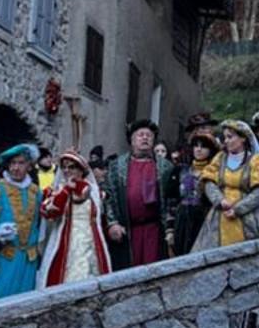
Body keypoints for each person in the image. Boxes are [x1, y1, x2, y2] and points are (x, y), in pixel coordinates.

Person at [0, 145, 46, 298]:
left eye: (20, 163)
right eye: (12, 163)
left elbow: (41, 225)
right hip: (5, 257)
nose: (16, 168)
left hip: (29, 261)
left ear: (29, 165)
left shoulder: (36, 192)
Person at [102, 121, 177, 268]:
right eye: (140, 135)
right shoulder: (117, 166)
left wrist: (170, 228)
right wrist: (112, 223)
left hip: (154, 230)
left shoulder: (166, 167)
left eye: (149, 135)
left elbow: (172, 199)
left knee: (154, 271)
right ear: (132, 139)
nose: (145, 138)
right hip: (128, 230)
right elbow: (109, 196)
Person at [194, 120, 259, 249]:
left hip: (247, 218)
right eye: (225, 137)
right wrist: (219, 200)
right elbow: (208, 181)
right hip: (220, 215)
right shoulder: (220, 158)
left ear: (243, 138)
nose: (226, 141)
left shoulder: (256, 161)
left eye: (230, 137)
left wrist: (238, 209)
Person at [39, 152, 112, 286]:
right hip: (66, 242)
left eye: (71, 167)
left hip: (92, 241)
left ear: (81, 170)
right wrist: (66, 190)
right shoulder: (56, 190)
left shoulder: (93, 190)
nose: (67, 171)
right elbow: (49, 213)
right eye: (64, 167)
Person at [172, 131, 219, 256]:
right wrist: (169, 228)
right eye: (196, 146)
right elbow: (171, 199)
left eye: (203, 146)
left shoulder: (215, 172)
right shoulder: (181, 170)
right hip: (182, 220)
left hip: (204, 220)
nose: (198, 149)